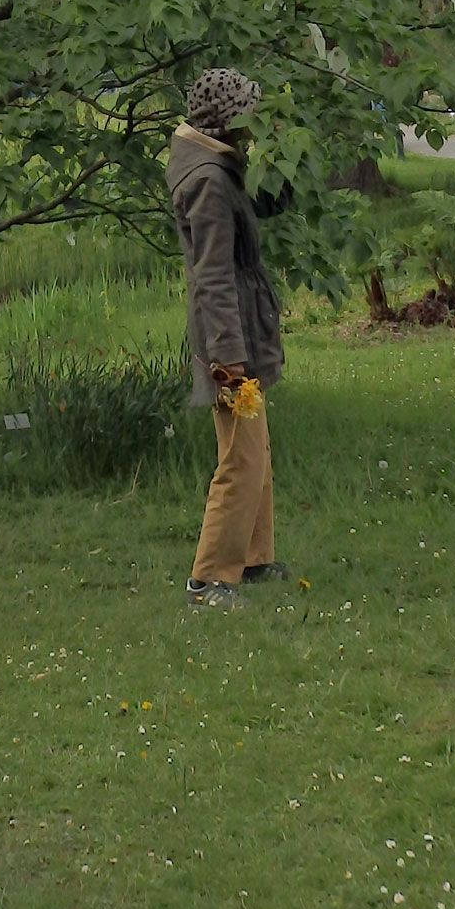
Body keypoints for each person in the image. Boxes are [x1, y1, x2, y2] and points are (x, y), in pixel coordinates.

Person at [167, 68, 285, 608]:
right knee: (240, 458)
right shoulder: (209, 181)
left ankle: (253, 558)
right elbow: (212, 275)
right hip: (227, 336)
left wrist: (285, 157)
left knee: (255, 451)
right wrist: (229, 360)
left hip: (240, 324)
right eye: (248, 114)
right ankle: (209, 579)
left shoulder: (222, 166)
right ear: (227, 121)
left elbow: (267, 205)